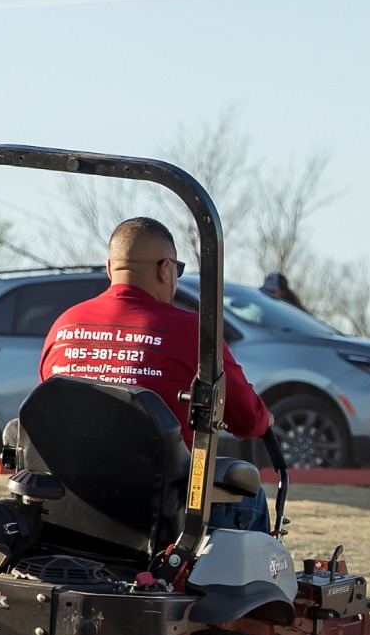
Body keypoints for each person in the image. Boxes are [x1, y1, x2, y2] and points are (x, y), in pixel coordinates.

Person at [38, 216, 275, 531]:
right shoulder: (192, 332)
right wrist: (265, 419)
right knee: (251, 497)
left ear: (111, 268)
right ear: (166, 268)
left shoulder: (63, 325)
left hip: (69, 504)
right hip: (157, 511)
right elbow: (247, 420)